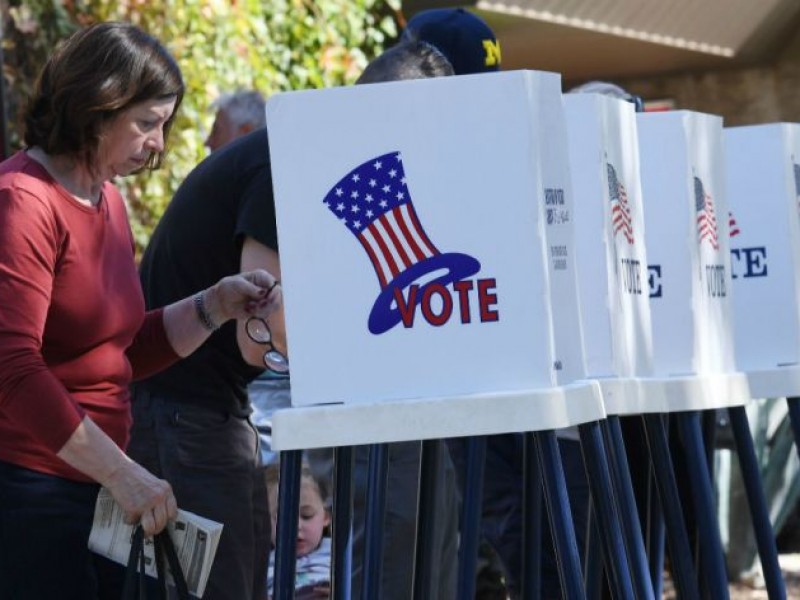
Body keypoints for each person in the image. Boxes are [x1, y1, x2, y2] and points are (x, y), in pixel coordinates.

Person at [0, 22, 280, 600]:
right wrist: (123, 474)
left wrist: (216, 304)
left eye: (164, 124)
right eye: (147, 123)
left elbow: (119, 352)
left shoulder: (106, 196)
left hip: (96, 491)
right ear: (97, 106)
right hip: (30, 490)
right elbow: (13, 370)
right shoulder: (23, 201)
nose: (159, 144)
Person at [249, 38, 462, 600]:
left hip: (433, 402)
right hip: (362, 409)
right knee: (386, 560)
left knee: (431, 558)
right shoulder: (308, 158)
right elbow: (273, 318)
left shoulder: (436, 169)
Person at [120, 88, 287, 600]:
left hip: (187, 407)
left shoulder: (260, 161)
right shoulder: (270, 163)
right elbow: (263, 332)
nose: (201, 156)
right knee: (223, 585)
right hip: (182, 413)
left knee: (239, 574)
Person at [266, 463, 332, 600]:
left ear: (326, 517)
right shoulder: (259, 563)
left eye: (307, 515)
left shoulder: (341, 555)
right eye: (282, 518)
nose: (296, 526)